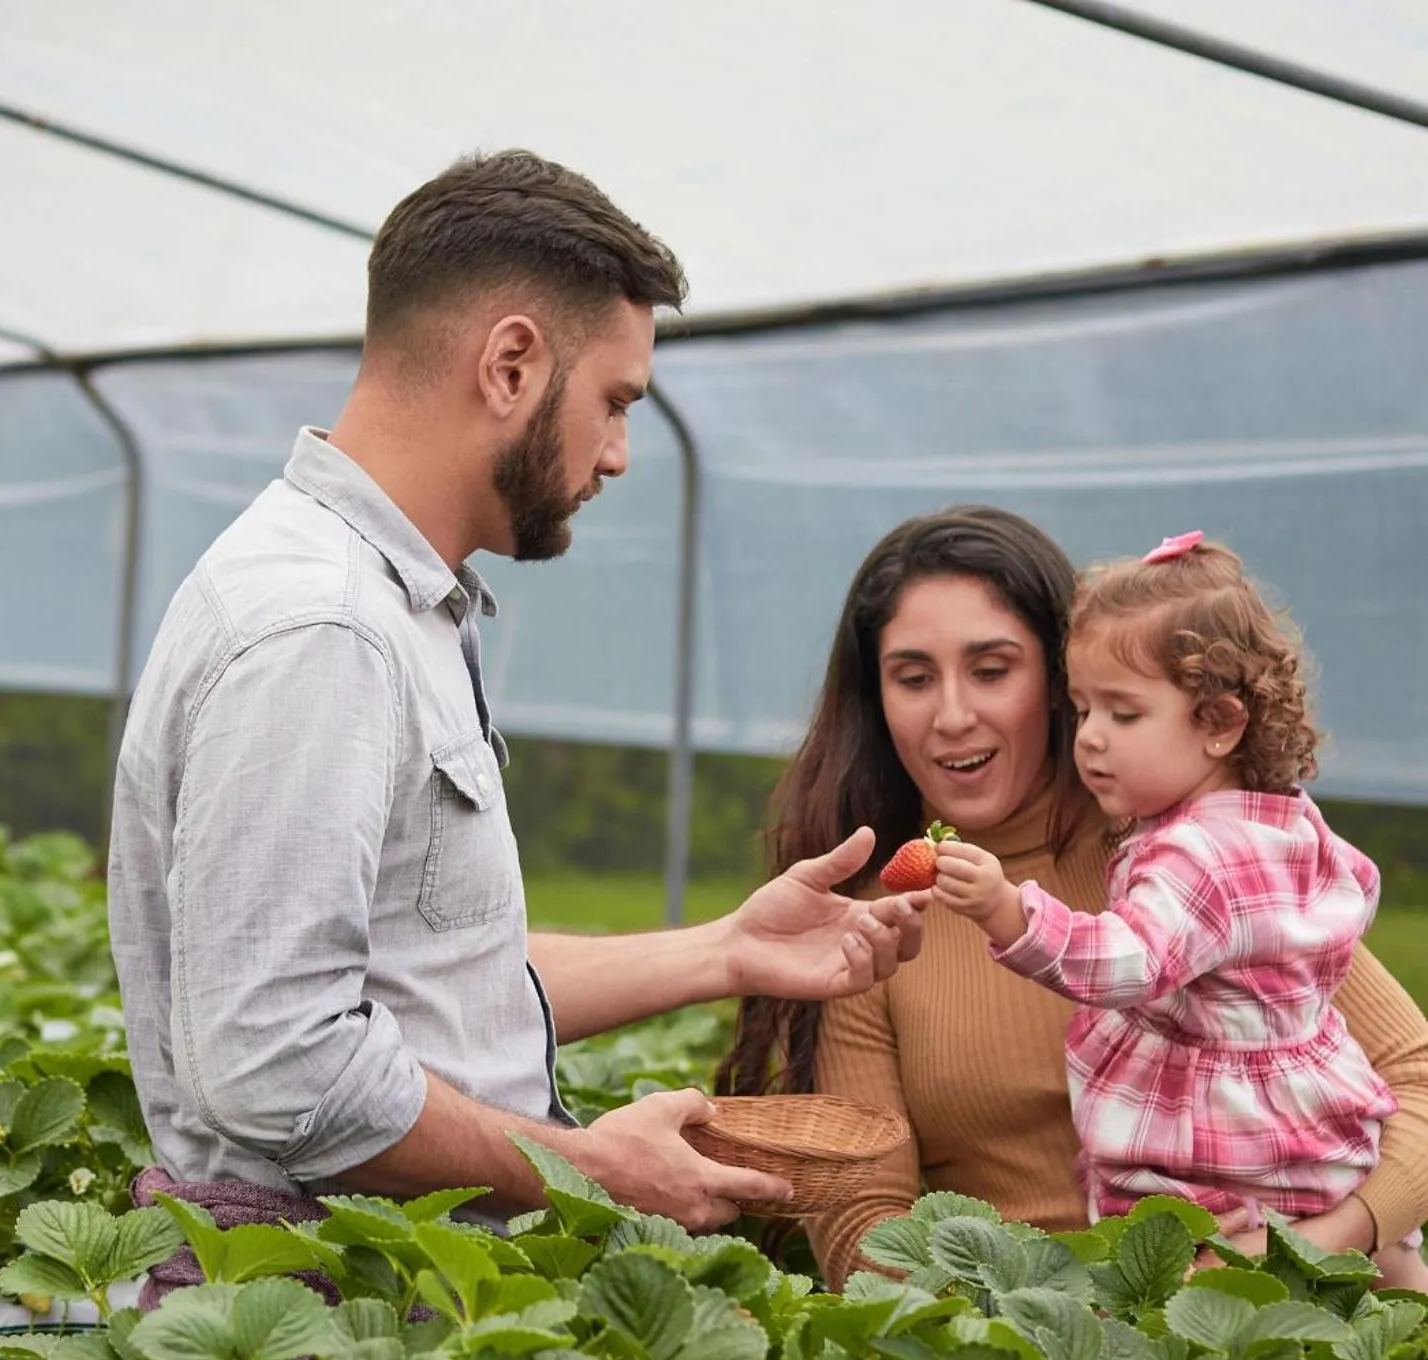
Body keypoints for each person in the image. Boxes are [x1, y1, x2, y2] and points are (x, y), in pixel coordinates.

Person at [104, 149, 928, 1301]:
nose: (617, 454)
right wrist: (586, 1169)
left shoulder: (398, 608)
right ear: (508, 364)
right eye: (614, 401)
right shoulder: (320, 627)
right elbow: (278, 1062)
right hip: (334, 1302)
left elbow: (425, 979)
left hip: (387, 1279)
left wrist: (725, 949)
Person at [716, 506, 1428, 1290]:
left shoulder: (1192, 863)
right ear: (876, 698)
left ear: (1057, 680)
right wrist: (1060, 1319)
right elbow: (866, 1223)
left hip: (1269, 1296)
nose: (953, 715)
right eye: (913, 677)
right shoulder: (876, 920)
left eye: (992, 670)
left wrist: (1323, 1242)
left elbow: (1415, 1074)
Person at [930, 531, 1424, 1279]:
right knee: (1379, 1286)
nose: (1089, 738)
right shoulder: (1280, 821)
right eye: (1083, 707)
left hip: (1227, 1158)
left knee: (1176, 1277)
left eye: (1124, 715)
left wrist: (1008, 909)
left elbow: (1129, 960)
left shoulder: (1199, 856)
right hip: (1307, 1143)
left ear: (1221, 723)